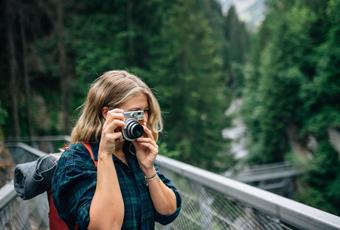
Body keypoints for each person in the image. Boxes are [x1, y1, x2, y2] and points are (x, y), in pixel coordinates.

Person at [52, 70, 181, 229]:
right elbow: (106, 227)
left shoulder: (133, 152)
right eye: (135, 112)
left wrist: (149, 169)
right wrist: (105, 154)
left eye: (145, 111)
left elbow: (168, 211)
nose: (144, 119)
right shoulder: (76, 160)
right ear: (107, 114)